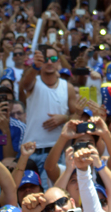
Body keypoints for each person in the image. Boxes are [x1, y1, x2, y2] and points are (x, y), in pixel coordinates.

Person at [17, 45, 78, 180]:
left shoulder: (67, 87)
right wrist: (34, 67)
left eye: (53, 58)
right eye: (45, 59)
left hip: (55, 152)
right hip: (30, 151)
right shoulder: (33, 82)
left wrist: (65, 118)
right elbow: (24, 85)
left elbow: (76, 115)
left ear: (58, 62)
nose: (49, 62)